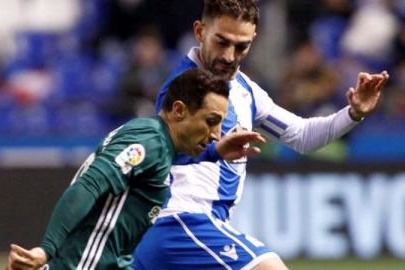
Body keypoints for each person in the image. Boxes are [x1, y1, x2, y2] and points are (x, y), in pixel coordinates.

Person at [132, 0, 389, 269]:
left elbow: (301, 135)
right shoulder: (182, 88)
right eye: (221, 42)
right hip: (181, 222)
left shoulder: (244, 89)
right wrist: (216, 150)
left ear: (253, 40)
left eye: (241, 46)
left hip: (192, 229)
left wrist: (353, 112)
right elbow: (165, 151)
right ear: (200, 32)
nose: (229, 56)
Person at [5, 68, 267, 270]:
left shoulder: (158, 144)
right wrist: (46, 249)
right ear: (178, 110)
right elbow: (88, 186)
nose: (215, 134)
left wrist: (215, 153)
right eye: (211, 121)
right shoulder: (148, 142)